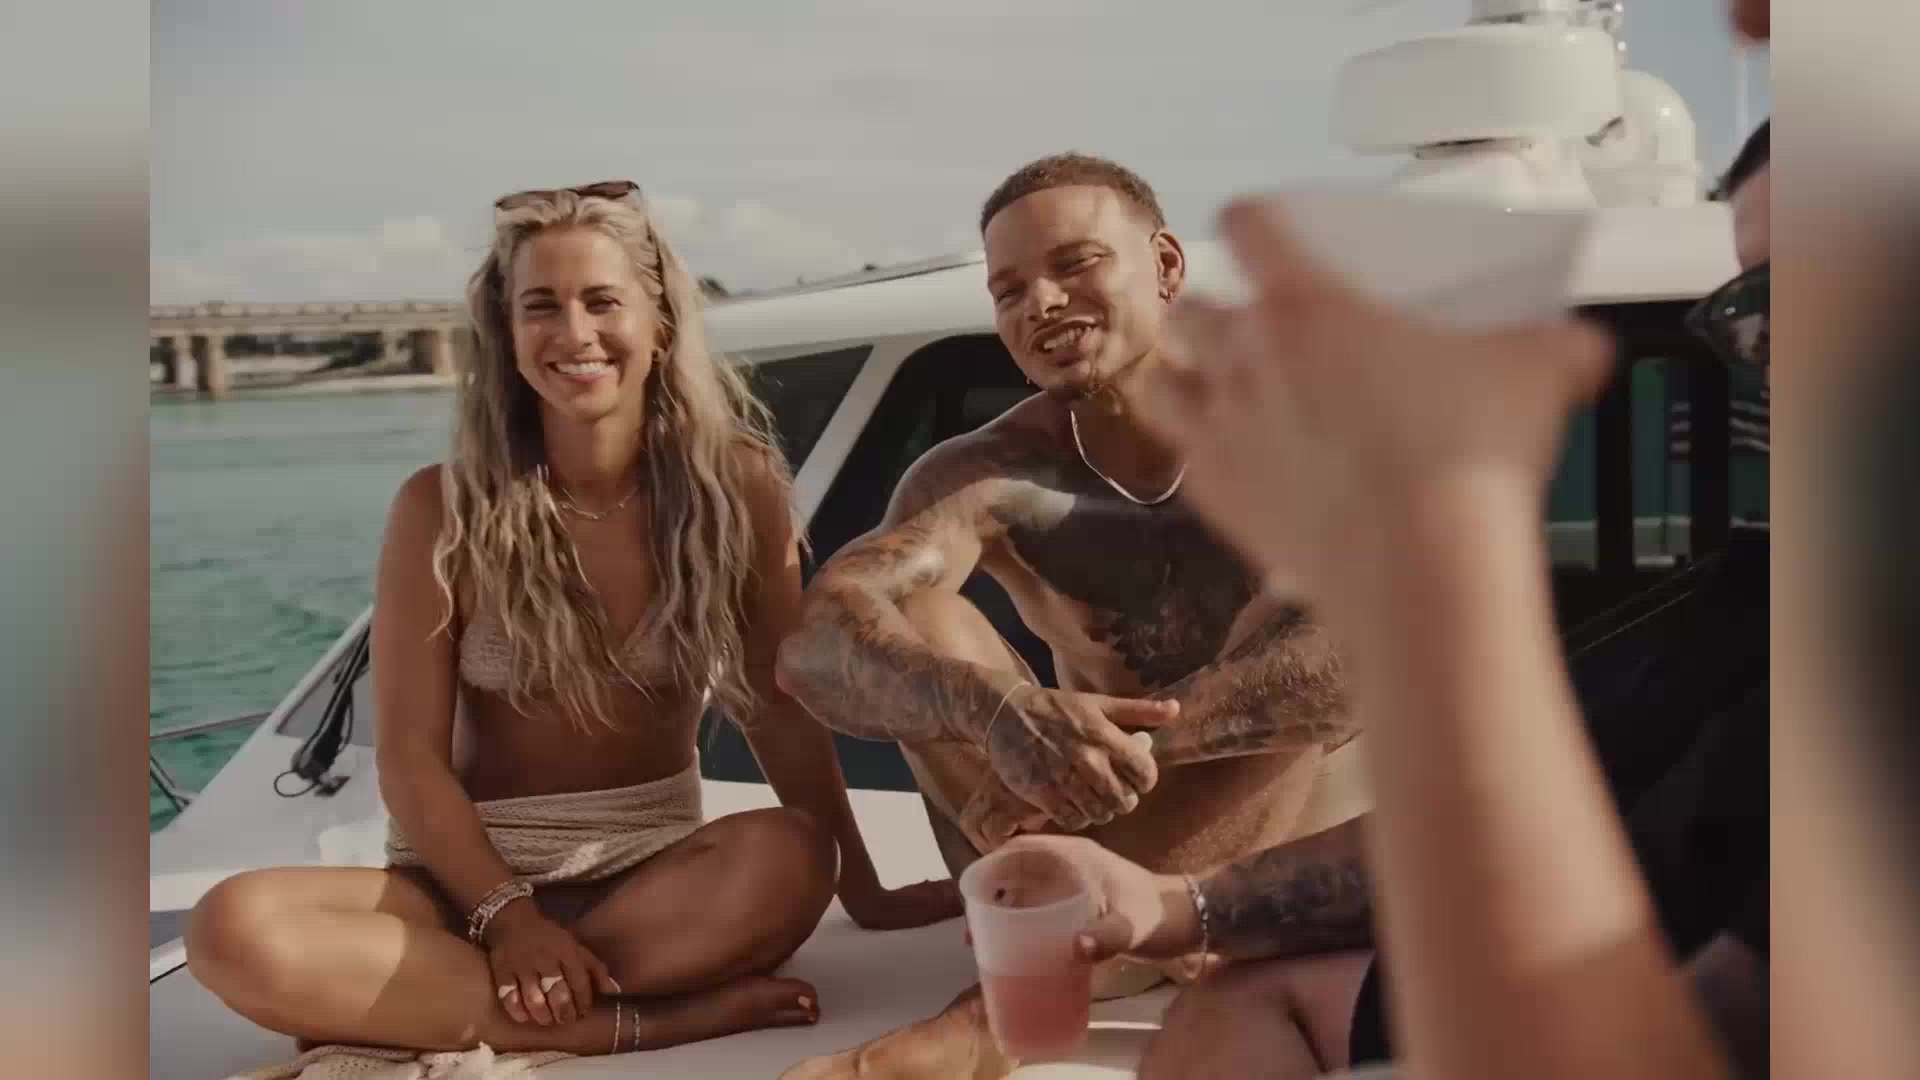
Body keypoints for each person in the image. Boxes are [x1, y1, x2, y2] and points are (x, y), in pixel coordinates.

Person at [1003, 48, 1776, 1080]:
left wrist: (1433, 570)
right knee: (1237, 1007)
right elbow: (1541, 818)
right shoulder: (1760, 603)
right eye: (1751, 306)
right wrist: (1178, 906)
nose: (1767, 350)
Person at [184, 181, 957, 1058]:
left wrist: (862, 889)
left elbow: (777, 705)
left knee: (792, 853)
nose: (575, 333)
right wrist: (508, 917)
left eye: (602, 301)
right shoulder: (441, 509)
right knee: (232, 928)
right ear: (508, 333)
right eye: (541, 306)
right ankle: (635, 1022)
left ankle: (437, 1000)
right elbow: (409, 758)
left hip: (650, 876)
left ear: (659, 323)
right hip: (455, 884)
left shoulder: (734, 489)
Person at [775, 154, 1364, 1078]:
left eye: (1074, 264)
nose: (1040, 304)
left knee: (1302, 635)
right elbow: (812, 648)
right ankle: (1076, 944)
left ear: (1165, 266)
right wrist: (999, 716)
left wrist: (1106, 754)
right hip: (1064, 854)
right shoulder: (989, 474)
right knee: (912, 616)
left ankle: (997, 1014)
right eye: (1008, 290)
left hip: (1274, 859)